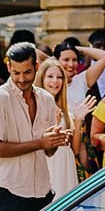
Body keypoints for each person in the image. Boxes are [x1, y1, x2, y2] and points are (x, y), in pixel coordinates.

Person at [0, 42, 70, 211]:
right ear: (8, 67)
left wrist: (55, 140)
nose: (22, 79)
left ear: (37, 66)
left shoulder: (46, 99)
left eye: (27, 72)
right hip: (8, 191)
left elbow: (49, 152)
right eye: (16, 73)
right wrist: (40, 142)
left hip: (42, 192)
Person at [35, 57, 95, 199]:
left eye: (59, 77)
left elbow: (74, 149)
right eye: (50, 76)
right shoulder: (34, 107)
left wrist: (79, 120)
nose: (55, 81)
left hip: (66, 166)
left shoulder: (67, 112)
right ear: (42, 78)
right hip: (47, 166)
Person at [56, 39, 105, 108]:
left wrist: (74, 48)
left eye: (74, 60)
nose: (71, 64)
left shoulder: (81, 80)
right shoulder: (51, 82)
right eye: (66, 60)